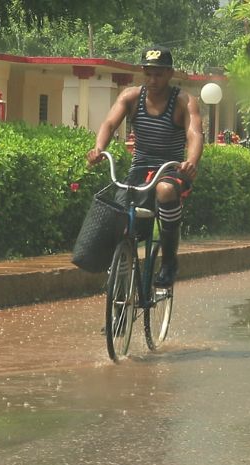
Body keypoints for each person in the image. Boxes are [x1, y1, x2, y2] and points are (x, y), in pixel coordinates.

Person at [87, 45, 203, 287]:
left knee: (165, 191)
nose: (153, 79)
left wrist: (190, 162)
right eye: (148, 73)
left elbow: (194, 133)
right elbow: (109, 123)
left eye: (159, 74)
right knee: (118, 216)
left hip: (171, 168)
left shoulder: (183, 101)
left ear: (170, 73)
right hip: (140, 169)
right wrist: (99, 148)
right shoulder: (131, 96)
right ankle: (119, 293)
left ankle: (169, 261)